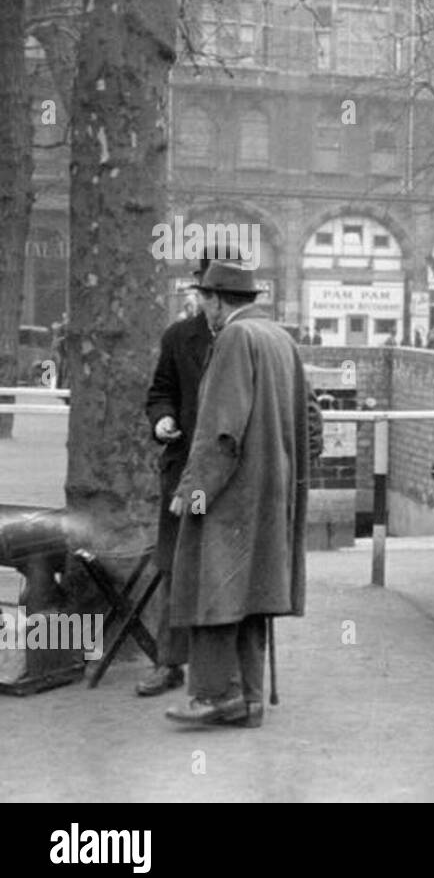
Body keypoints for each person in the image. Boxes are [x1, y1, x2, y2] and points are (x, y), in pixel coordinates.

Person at [164, 261, 315, 727]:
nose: (200, 307)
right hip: (272, 493)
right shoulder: (280, 339)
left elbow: (221, 432)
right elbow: (311, 420)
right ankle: (248, 699)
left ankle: (214, 696)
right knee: (253, 594)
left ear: (216, 300)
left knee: (210, 585)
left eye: (203, 299)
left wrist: (192, 492)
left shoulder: (232, 339)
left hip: (231, 492)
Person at [139, 255, 216, 698]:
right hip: (183, 470)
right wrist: (162, 420)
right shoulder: (178, 337)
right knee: (174, 565)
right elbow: (160, 392)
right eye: (204, 292)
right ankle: (169, 664)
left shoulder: (247, 339)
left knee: (224, 568)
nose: (209, 301)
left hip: (228, 477)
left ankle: (222, 672)